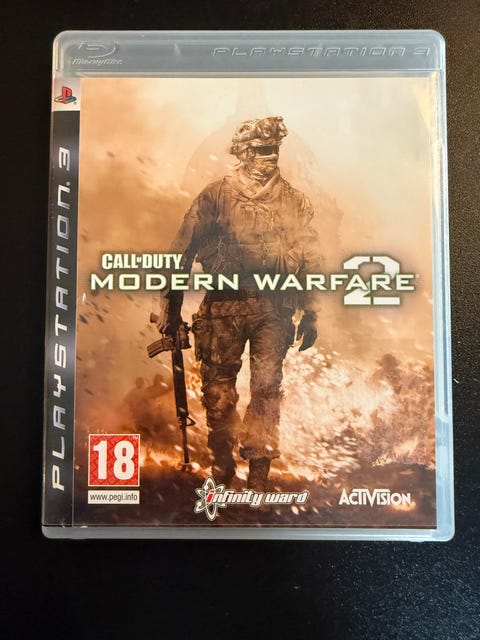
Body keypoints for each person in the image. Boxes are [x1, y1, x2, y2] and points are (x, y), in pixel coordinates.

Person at [157, 116, 320, 490]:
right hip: (222, 308)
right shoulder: (215, 196)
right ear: (244, 153)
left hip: (273, 310)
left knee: (267, 390)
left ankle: (259, 473)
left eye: (274, 149)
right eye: (262, 150)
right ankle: (222, 465)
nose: (270, 156)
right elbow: (180, 253)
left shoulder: (295, 201)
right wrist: (170, 310)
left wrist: (311, 312)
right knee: (218, 393)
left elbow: (311, 259)